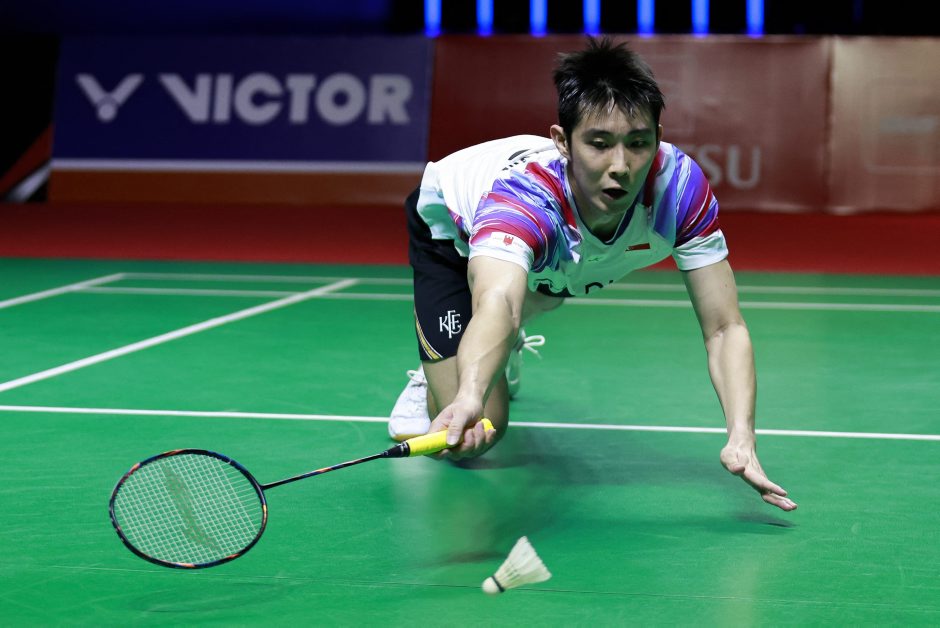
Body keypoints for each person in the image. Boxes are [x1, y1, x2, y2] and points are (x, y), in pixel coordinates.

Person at [389, 37, 797, 512]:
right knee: (479, 433)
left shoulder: (679, 190)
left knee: (557, 278)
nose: (620, 167)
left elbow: (725, 327)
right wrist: (469, 394)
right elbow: (499, 302)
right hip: (449, 232)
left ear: (658, 137)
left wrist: (742, 436)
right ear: (563, 141)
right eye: (599, 144)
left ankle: (499, 348)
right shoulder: (523, 202)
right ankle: (435, 375)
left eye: (638, 144)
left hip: (546, 255)